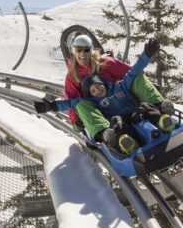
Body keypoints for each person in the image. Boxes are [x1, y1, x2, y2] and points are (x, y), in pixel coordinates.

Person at [34, 35, 175, 155]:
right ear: (73, 52)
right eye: (78, 50)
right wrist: (64, 113)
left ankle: (160, 107)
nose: (82, 53)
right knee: (99, 114)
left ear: (91, 50)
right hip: (105, 114)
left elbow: (132, 73)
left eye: (86, 49)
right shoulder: (72, 78)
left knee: (137, 81)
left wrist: (146, 57)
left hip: (126, 100)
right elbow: (73, 102)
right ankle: (108, 135)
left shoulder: (106, 64)